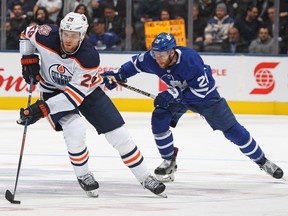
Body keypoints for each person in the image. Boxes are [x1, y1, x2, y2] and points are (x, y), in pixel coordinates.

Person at [18, 12, 166, 198]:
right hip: (52, 90)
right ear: (61, 30)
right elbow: (25, 34)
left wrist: (42, 109)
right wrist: (27, 58)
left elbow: (73, 97)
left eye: (74, 35)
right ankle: (83, 175)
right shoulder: (45, 34)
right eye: (65, 33)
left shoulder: (89, 57)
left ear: (83, 35)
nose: (68, 39)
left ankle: (145, 177)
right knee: (75, 129)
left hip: (87, 91)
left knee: (120, 135)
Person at [101, 32, 284, 182]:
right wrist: (119, 75)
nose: (158, 59)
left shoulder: (190, 60)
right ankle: (168, 161)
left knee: (233, 132)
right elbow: (135, 64)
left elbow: (203, 91)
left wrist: (173, 95)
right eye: (156, 55)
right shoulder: (153, 57)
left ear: (172, 52)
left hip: (206, 99)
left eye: (162, 55)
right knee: (159, 118)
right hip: (180, 96)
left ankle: (263, 161)